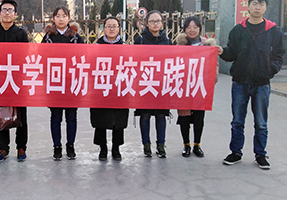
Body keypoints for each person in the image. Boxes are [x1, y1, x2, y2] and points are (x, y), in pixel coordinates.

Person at [218, 0, 285, 170]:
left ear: (265, 7)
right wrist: (222, 51)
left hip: (262, 84)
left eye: (261, 4)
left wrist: (270, 70)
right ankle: (235, 152)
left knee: (261, 122)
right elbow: (232, 53)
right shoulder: (238, 30)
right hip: (240, 82)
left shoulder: (273, 31)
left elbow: (279, 54)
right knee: (237, 121)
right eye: (254, 3)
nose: (257, 7)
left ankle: (260, 155)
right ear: (248, 6)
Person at [0, 0, 30, 163]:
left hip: (17, 80)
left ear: (15, 14)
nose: (7, 13)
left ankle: (21, 147)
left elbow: (25, 56)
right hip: (0, 80)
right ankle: (3, 148)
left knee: (21, 115)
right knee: (1, 114)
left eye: (10, 10)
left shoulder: (21, 34)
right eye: (4, 10)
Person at [42, 6, 84, 160]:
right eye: (58, 16)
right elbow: (41, 57)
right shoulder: (47, 38)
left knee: (71, 116)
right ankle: (57, 146)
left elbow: (83, 57)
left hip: (71, 82)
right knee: (56, 117)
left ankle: (70, 146)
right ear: (53, 18)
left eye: (64, 16)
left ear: (69, 18)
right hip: (54, 82)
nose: (61, 19)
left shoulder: (76, 38)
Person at [175, 16, 218, 158]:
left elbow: (214, 66)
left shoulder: (208, 46)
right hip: (184, 88)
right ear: (184, 29)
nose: (192, 30)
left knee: (199, 118)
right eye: (188, 27)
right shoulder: (179, 46)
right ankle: (186, 145)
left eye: (195, 27)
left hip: (200, 87)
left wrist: (211, 80)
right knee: (184, 117)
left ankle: (197, 145)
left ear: (200, 29)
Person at [89, 17, 129, 161]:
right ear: (103, 28)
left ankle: (116, 148)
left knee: (118, 120)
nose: (111, 29)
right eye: (108, 26)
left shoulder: (125, 47)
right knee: (101, 119)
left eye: (114, 26)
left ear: (119, 28)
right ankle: (103, 148)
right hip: (101, 87)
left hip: (119, 87)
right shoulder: (96, 46)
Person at [133, 10, 171, 158]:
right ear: (146, 24)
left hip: (161, 83)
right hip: (144, 82)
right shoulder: (140, 40)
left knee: (161, 115)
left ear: (162, 23)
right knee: (145, 115)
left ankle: (161, 145)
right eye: (152, 21)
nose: (155, 24)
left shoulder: (167, 41)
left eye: (158, 21)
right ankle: (146, 145)